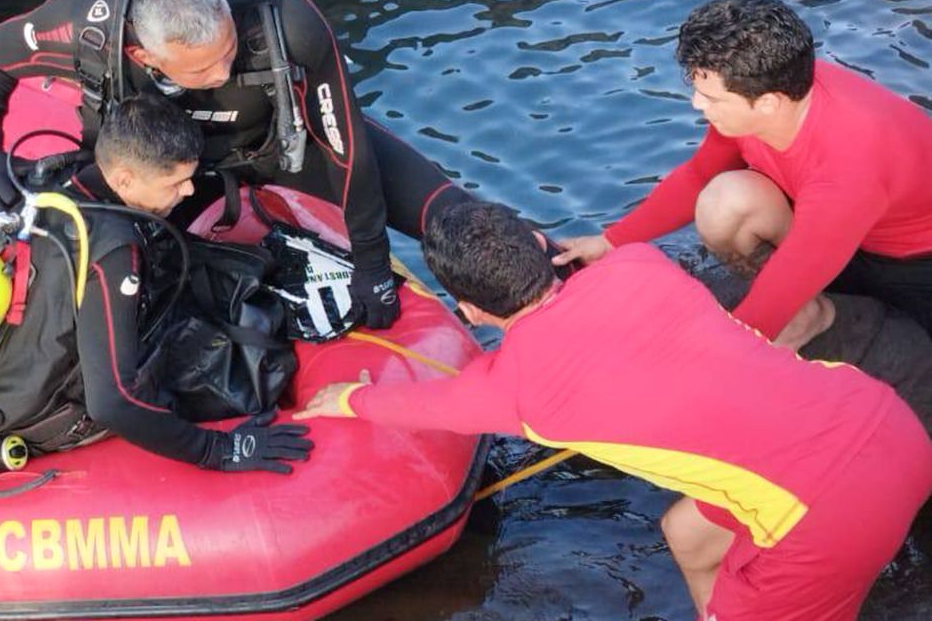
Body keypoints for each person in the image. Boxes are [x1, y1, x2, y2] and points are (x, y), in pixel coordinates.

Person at [299, 200, 932, 621]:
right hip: (885, 420)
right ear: (545, 245)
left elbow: (419, 404)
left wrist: (347, 398)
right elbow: (614, 267)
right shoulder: (636, 263)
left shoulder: (511, 389)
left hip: (826, 512)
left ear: (470, 311)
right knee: (687, 534)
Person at [0, 0, 473, 333]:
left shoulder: (286, 23)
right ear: (147, 58)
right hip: (169, 178)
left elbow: (348, 150)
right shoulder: (90, 30)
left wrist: (371, 262)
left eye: (229, 52)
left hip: (280, 146)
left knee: (460, 222)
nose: (225, 69)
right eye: (205, 68)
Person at [0, 95, 312, 474]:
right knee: (236, 370)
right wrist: (220, 450)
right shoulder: (114, 253)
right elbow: (112, 403)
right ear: (124, 179)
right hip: (32, 420)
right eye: (176, 182)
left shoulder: (52, 183)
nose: (188, 191)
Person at [555, 0, 932, 348]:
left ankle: (816, 316)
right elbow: (700, 175)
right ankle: (805, 313)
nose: (696, 104)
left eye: (711, 97)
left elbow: (796, 269)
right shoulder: (770, 90)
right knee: (724, 200)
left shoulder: (849, 163)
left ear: (768, 103)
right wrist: (609, 242)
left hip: (910, 265)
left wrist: (723, 351)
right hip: (830, 229)